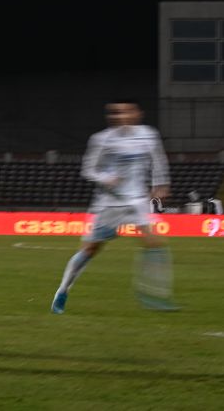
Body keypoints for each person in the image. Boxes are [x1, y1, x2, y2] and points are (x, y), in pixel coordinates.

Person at [51, 100, 174, 314]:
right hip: (109, 202)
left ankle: (154, 295)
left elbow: (159, 160)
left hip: (137, 199)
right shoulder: (101, 139)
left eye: (125, 111)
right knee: (90, 249)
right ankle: (63, 290)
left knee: (154, 242)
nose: (120, 115)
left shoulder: (148, 134)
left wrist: (160, 186)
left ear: (137, 113)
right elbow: (88, 170)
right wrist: (106, 178)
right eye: (115, 112)